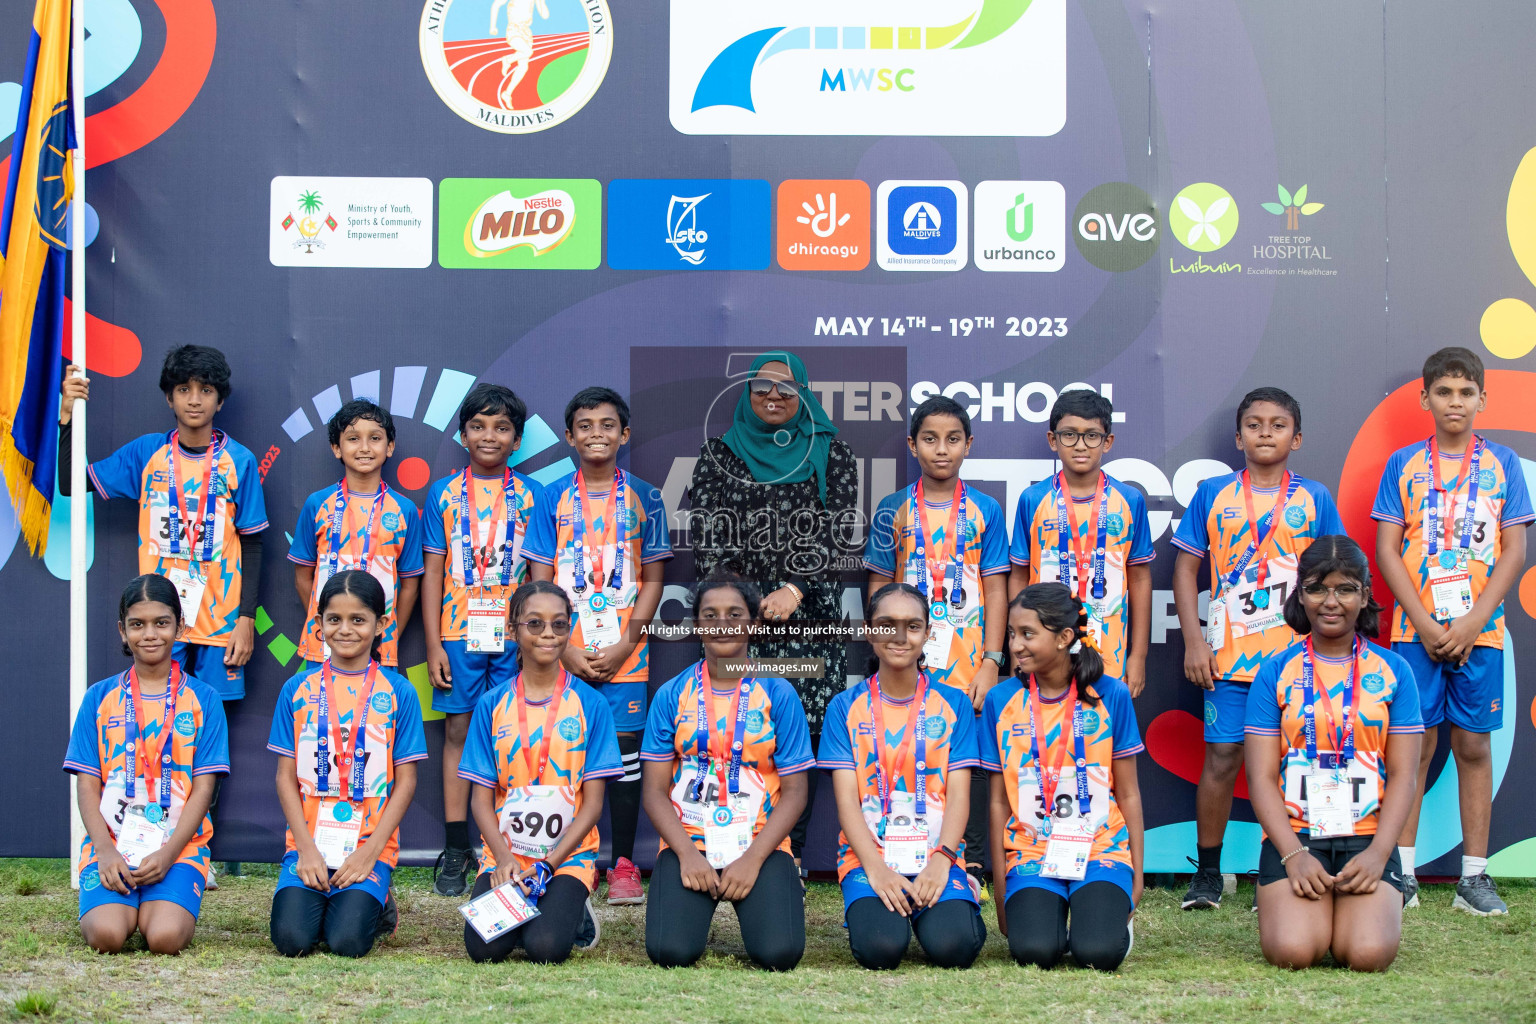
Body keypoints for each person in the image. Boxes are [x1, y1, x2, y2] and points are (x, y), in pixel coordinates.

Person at [62, 346, 268, 888]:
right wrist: (67, 417)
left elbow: (254, 545)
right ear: (169, 397)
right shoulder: (145, 455)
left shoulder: (239, 461)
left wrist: (247, 618)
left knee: (205, 740)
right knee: (154, 736)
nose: (194, 399)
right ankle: (142, 839)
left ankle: (198, 851)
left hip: (221, 624)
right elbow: (69, 480)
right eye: (183, 389)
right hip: (161, 624)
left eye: (205, 390)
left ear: (220, 399)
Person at [1371, 347, 1532, 914]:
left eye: (1466, 392)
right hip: (1414, 633)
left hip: (1479, 631)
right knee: (1413, 747)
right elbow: (1387, 549)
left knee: (1472, 745)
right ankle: (1404, 873)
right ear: (1425, 399)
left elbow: (1515, 550)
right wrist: (1420, 618)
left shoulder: (1504, 465)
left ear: (1483, 399)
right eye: (1444, 392)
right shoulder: (1404, 465)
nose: (1455, 402)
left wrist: (1470, 620)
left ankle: (1475, 877)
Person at [1171, 387, 1345, 909]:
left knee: (1295, 759)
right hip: (1228, 655)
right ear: (1239, 435)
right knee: (1222, 757)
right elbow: (1185, 569)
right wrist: (1195, 641)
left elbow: (1332, 574)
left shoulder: (1314, 497)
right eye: (1254, 424)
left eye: (1276, 425)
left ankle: (1281, 864)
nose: (1265, 434)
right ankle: (1208, 871)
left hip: (1297, 657)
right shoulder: (1213, 493)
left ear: (1297, 436)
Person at [688, 352, 860, 872]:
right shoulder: (718, 453)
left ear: (804, 393)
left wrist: (793, 588)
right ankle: (727, 847)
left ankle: (789, 860)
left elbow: (838, 530)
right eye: (762, 387)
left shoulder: (832, 452)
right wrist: (741, 603)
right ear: (747, 393)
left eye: (787, 389)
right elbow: (706, 536)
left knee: (797, 737)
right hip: (739, 626)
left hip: (809, 622)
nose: (774, 397)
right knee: (737, 729)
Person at [1245, 536, 1424, 970]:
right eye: (1317, 588)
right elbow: (1262, 778)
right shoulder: (1274, 673)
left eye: (1345, 589)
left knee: (1367, 955)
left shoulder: (1395, 671)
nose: (1331, 601)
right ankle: (1310, 907)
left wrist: (1381, 853)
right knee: (1292, 952)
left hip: (1367, 838)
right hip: (1297, 836)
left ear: (1364, 596)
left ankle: (1353, 906)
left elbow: (1404, 775)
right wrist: (1293, 854)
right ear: (1300, 595)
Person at [527, 387, 672, 905]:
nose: (596, 434)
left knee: (628, 760)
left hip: (625, 657)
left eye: (607, 425)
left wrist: (627, 644)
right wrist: (561, 648)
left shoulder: (645, 497)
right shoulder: (550, 497)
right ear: (569, 436)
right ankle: (563, 862)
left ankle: (626, 864)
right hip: (558, 652)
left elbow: (653, 579)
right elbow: (538, 582)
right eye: (584, 425)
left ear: (624, 434)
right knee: (561, 753)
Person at [866, 395, 1009, 900]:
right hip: (908, 652)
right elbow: (880, 586)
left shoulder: (987, 510)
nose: (941, 449)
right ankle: (900, 849)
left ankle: (967, 862)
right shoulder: (893, 509)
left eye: (952, 440)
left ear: (968, 445)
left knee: (964, 759)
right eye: (930, 439)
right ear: (912, 445)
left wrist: (993, 660)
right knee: (907, 749)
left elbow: (996, 589)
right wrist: (885, 644)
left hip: (970, 660)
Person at [641, 572, 814, 971]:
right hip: (692, 841)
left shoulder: (779, 692)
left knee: (779, 954)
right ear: (698, 624)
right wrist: (686, 854)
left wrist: (753, 859)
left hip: (759, 842)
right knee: (670, 953)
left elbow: (796, 793)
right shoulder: (672, 693)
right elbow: (653, 791)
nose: (722, 623)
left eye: (734, 613)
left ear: (753, 622)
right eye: (710, 614)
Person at [819, 583, 986, 971]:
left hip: (936, 855)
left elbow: (960, 796)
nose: (899, 636)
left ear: (928, 633)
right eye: (887, 624)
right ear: (869, 631)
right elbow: (846, 802)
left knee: (954, 948)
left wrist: (943, 858)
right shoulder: (844, 707)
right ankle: (878, 905)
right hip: (870, 857)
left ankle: (958, 894)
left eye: (912, 626)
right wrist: (875, 868)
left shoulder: (955, 703)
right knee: (881, 949)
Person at [64, 574, 230, 954]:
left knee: (164, 939)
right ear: (122, 631)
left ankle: (164, 894)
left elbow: (205, 788)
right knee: (107, 936)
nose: (150, 634)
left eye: (161, 622)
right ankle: (118, 898)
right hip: (112, 846)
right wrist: (105, 851)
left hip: (178, 850)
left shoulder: (204, 698)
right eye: (137, 625)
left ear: (181, 627)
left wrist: (169, 854)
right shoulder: (98, 697)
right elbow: (87, 784)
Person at [458, 581, 622, 963]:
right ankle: (526, 909)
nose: (548, 633)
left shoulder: (591, 704)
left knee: (545, 948)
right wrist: (502, 858)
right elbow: (480, 801)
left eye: (559, 624)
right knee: (484, 949)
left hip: (567, 857)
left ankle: (573, 908)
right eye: (535, 624)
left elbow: (593, 805)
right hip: (507, 855)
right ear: (513, 629)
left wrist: (549, 864)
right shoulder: (491, 704)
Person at [421, 383, 543, 897]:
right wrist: (431, 644)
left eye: (501, 428)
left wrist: (536, 635)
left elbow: (541, 574)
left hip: (517, 638)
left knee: (514, 738)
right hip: (456, 634)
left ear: (516, 440)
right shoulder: (443, 493)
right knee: (457, 735)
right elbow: (432, 572)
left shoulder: (535, 495)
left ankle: (510, 846)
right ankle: (456, 847)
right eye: (478, 426)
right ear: (462, 434)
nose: (489, 436)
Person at [983, 583, 1144, 971]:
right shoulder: (1000, 699)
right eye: (1012, 634)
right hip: (1032, 850)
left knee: (1098, 953)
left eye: (1028, 634)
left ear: (1064, 638)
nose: (1016, 645)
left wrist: (1136, 879)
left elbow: (1131, 795)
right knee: (1035, 952)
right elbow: (997, 802)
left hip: (1100, 846)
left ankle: (1100, 916)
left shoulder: (1112, 694)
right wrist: (1002, 891)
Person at [267, 571, 426, 958]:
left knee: (347, 943)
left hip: (367, 845)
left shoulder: (399, 691)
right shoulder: (297, 689)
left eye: (359, 619)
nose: (346, 629)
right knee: (292, 940)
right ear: (317, 624)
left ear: (381, 624)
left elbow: (405, 781)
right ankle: (322, 893)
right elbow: (285, 778)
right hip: (309, 845)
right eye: (334, 619)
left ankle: (379, 900)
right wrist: (305, 850)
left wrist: (370, 852)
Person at [289, 399, 423, 673]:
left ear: (390, 447)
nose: (364, 447)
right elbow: (303, 576)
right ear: (337, 448)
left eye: (374, 438)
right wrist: (327, 623)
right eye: (353, 439)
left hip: (381, 644)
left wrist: (388, 632)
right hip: (323, 643)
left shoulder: (404, 509)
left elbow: (409, 584)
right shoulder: (318, 504)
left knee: (376, 715)